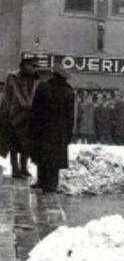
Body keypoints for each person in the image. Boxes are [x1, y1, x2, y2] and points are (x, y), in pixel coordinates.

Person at [29, 62, 76, 194]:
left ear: (53, 74)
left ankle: (41, 181)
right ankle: (51, 185)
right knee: (54, 158)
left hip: (42, 128)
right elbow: (70, 116)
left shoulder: (43, 87)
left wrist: (33, 127)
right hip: (59, 131)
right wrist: (68, 133)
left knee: (42, 155)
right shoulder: (68, 92)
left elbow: (34, 110)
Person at [3, 57, 39, 178]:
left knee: (26, 144)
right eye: (31, 66)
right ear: (24, 65)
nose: (34, 68)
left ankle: (24, 168)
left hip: (29, 115)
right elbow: (7, 96)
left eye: (35, 66)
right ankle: (15, 169)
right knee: (14, 143)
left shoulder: (34, 78)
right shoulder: (12, 77)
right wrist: (6, 112)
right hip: (14, 114)